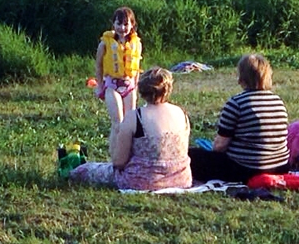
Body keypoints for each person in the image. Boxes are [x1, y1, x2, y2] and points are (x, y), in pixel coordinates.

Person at [70, 67, 192, 190]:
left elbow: (119, 162)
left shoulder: (136, 117)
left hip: (142, 180)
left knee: (84, 170)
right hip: (181, 179)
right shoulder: (180, 113)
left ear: (142, 90)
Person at [189, 54, 290, 183]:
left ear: (242, 77)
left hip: (247, 169)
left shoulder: (236, 103)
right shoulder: (278, 101)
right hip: (280, 166)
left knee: (191, 156)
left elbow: (220, 146)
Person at [95, 6, 142, 128]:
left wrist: (135, 88)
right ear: (113, 24)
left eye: (126, 24)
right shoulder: (105, 44)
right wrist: (100, 86)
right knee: (118, 123)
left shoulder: (136, 44)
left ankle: (127, 147)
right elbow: (99, 66)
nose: (122, 28)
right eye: (119, 24)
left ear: (132, 25)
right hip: (112, 86)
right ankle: (115, 147)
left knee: (129, 123)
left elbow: (136, 68)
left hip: (129, 87)